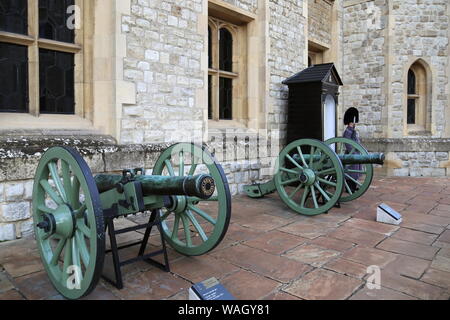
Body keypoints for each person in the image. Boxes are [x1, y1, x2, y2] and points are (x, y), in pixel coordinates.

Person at [343, 108, 361, 193]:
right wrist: (353, 152)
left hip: (356, 153)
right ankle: (349, 188)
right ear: (350, 122)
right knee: (351, 173)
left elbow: (356, 141)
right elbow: (347, 143)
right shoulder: (347, 131)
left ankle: (354, 186)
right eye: (353, 122)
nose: (354, 124)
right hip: (351, 154)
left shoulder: (352, 130)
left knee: (356, 172)